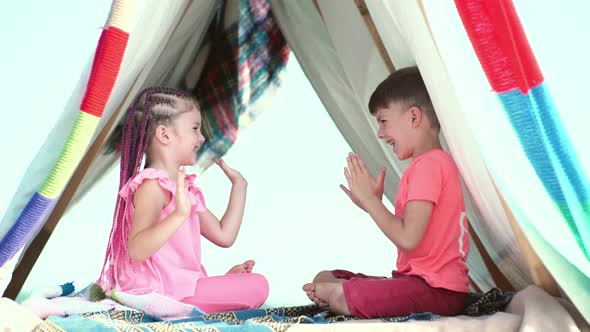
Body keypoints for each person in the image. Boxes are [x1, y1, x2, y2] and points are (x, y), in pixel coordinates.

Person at [303, 66, 470, 318]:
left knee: (342, 294)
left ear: (414, 117)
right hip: (416, 283)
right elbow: (413, 236)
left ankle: (342, 297)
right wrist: (370, 203)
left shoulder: (430, 165)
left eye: (383, 121)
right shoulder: (425, 166)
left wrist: (372, 202)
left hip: (437, 291)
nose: (380, 134)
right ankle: (341, 293)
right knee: (328, 277)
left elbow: (407, 239)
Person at [98, 87, 268, 314]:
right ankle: (183, 307)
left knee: (255, 284)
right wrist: (178, 214)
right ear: (165, 135)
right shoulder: (151, 186)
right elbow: (137, 250)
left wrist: (239, 187)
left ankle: (206, 299)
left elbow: (224, 235)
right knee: (258, 286)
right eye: (195, 129)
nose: (201, 137)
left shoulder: (183, 188)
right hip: (157, 291)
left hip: (184, 288)